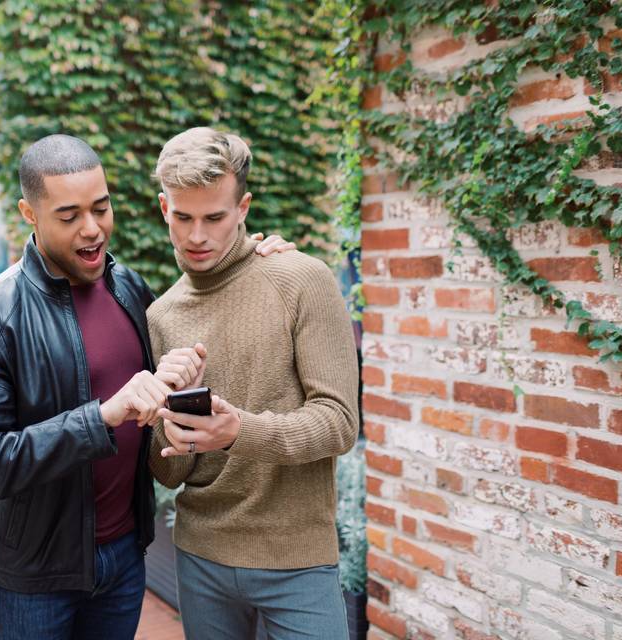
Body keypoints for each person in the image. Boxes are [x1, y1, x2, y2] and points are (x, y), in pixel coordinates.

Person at [0, 134, 293, 640]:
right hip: (34, 578)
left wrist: (255, 255)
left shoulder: (129, 288)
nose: (92, 229)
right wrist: (103, 416)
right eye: (68, 216)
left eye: (101, 209)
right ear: (29, 213)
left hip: (126, 557)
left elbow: (205, 276)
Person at [147, 127, 360, 640]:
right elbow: (169, 474)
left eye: (215, 217)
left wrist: (239, 430)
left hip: (297, 561)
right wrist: (168, 434)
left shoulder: (301, 279)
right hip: (200, 559)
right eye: (183, 217)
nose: (197, 236)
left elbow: (339, 423)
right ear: (163, 209)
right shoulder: (161, 315)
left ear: (243, 208)